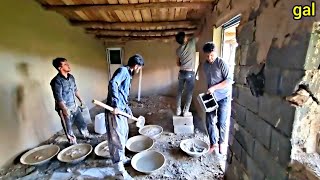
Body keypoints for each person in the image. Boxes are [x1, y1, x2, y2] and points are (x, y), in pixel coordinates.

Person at [105, 54, 144, 180]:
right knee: (116, 138)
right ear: (136, 65)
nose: (139, 70)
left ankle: (122, 158)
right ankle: (119, 171)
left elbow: (123, 94)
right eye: (140, 67)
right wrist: (115, 104)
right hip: (114, 110)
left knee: (123, 133)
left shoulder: (128, 74)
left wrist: (128, 110)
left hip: (121, 109)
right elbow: (113, 83)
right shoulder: (123, 71)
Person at [50, 57, 90, 145]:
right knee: (68, 126)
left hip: (74, 105)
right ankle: (73, 142)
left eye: (67, 63)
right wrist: (64, 110)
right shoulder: (56, 81)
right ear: (60, 68)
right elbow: (58, 97)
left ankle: (85, 135)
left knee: (81, 121)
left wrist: (81, 100)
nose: (68, 65)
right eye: (65, 64)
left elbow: (75, 90)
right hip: (64, 107)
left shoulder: (71, 77)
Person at [202, 42, 233, 154]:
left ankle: (221, 144)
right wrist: (209, 91)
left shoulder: (221, 63)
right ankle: (213, 143)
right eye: (207, 56)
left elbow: (229, 80)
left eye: (211, 55)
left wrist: (214, 88)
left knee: (221, 122)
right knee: (209, 120)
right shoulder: (205, 65)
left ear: (215, 53)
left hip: (223, 96)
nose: (209, 58)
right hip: (211, 96)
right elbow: (210, 81)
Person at [175, 31, 199, 117]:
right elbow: (198, 34)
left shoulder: (178, 50)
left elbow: (178, 63)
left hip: (181, 72)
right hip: (190, 72)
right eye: (185, 36)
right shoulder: (191, 43)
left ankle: (178, 110)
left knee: (179, 91)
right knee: (189, 92)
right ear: (184, 38)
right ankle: (185, 111)